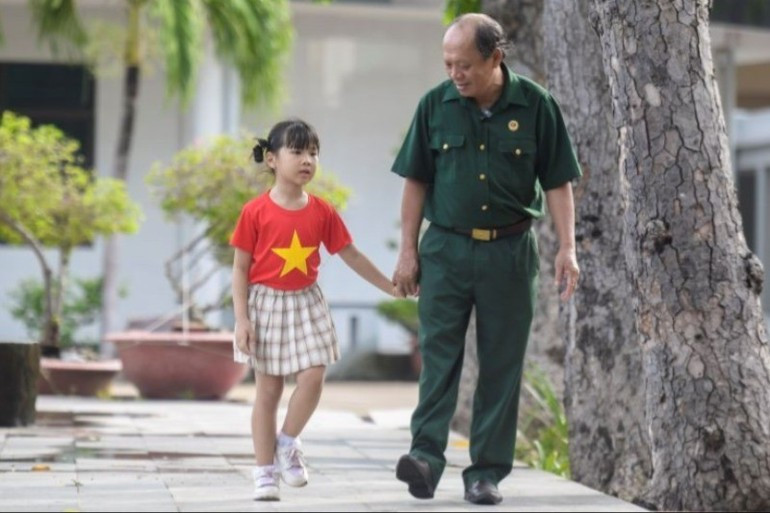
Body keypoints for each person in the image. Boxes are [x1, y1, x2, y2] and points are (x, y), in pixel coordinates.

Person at [391, 13, 582, 506]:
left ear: (496, 57)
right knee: (439, 358)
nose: (455, 73)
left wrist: (568, 247)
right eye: (448, 63)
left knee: (501, 365)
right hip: (446, 250)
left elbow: (558, 180)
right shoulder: (435, 105)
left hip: (510, 252)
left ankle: (485, 474)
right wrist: (408, 251)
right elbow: (415, 180)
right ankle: (425, 459)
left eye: (465, 64)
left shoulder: (537, 106)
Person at [231, 118, 399, 501]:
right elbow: (240, 269)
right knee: (268, 391)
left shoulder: (322, 211)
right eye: (298, 151)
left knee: (314, 375)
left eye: (313, 153)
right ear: (272, 159)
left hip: (307, 302)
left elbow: (351, 255)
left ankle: (288, 441)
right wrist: (241, 320)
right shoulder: (254, 212)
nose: (307, 159)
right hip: (266, 304)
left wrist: (389, 286)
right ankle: (264, 473)